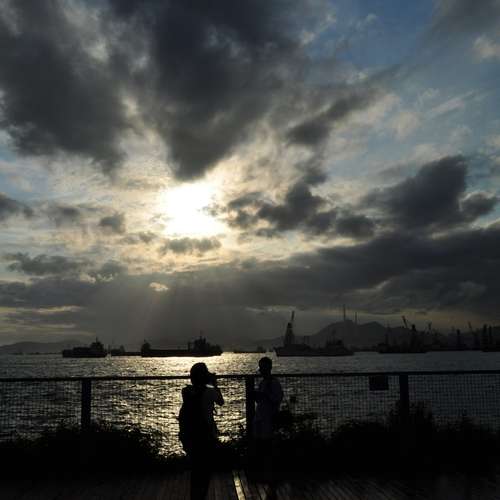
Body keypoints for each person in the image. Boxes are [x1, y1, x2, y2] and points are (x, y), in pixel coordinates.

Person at [179, 362, 224, 500]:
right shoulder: (210, 391)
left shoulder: (186, 392)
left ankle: (194, 496)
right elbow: (221, 401)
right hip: (206, 435)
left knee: (195, 470)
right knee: (205, 471)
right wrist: (213, 383)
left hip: (191, 435)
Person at [252, 356, 283, 493]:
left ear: (268, 368)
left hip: (268, 419)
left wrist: (262, 396)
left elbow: (276, 399)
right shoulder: (264, 382)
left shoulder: (273, 383)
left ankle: (271, 476)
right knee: (265, 447)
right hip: (262, 418)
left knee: (268, 448)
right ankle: (268, 475)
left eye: (262, 368)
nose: (261, 371)